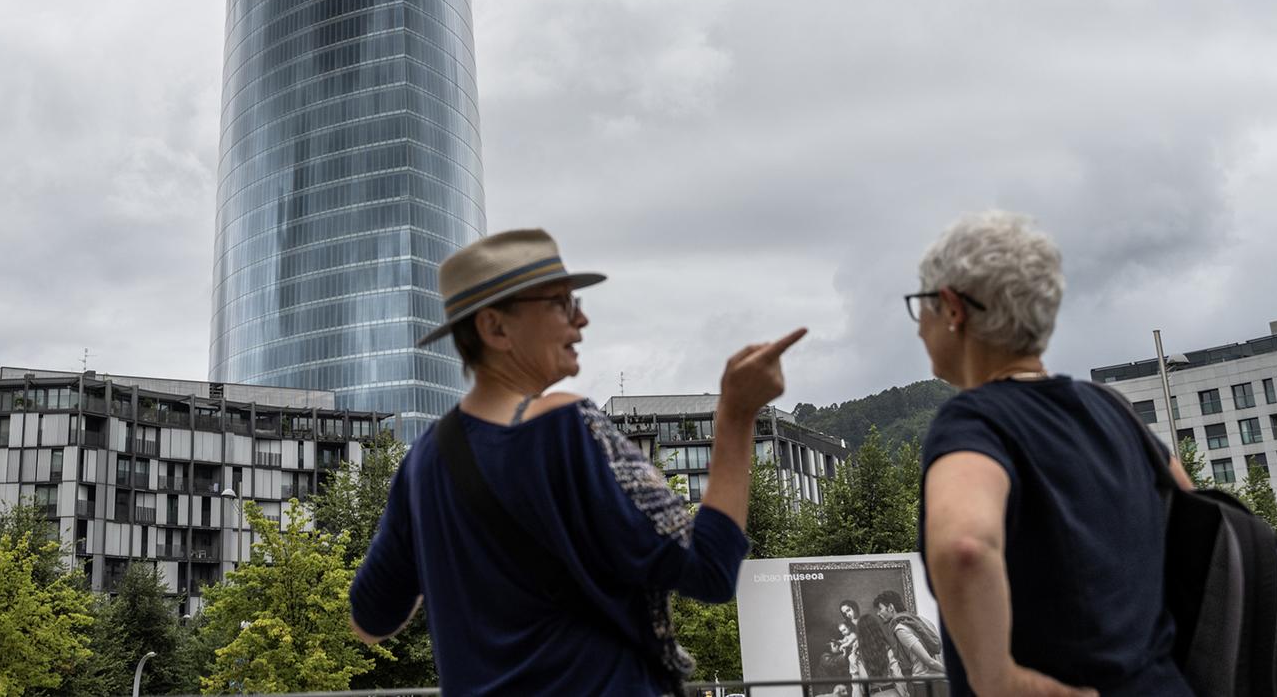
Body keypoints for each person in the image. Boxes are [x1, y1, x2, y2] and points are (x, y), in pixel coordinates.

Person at [349, 228, 808, 695]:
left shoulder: (423, 461)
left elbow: (370, 619)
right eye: (561, 303)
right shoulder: (565, 426)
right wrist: (736, 414)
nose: (582, 319)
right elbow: (709, 569)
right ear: (495, 328)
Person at [911, 211, 1195, 697]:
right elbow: (1200, 524)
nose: (919, 329)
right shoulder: (1115, 411)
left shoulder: (976, 423)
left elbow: (964, 548)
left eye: (923, 306)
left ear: (953, 308)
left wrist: (999, 681)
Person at [873, 590, 944, 678]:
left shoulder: (900, 629)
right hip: (940, 677)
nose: (878, 613)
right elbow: (939, 650)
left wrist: (952, 674)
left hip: (924, 680)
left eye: (880, 609)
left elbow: (929, 661)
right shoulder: (921, 620)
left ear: (891, 607)